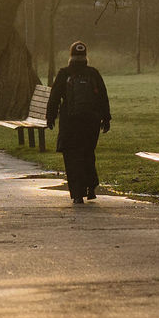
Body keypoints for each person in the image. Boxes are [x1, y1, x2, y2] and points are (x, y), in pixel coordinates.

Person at [45, 40, 112, 205]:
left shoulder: (64, 73)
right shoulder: (93, 74)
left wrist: (50, 117)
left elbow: (54, 98)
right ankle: (90, 187)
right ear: (85, 57)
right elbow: (103, 97)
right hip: (91, 122)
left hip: (70, 122)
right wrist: (106, 118)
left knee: (72, 155)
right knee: (88, 153)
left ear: (71, 56)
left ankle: (77, 193)